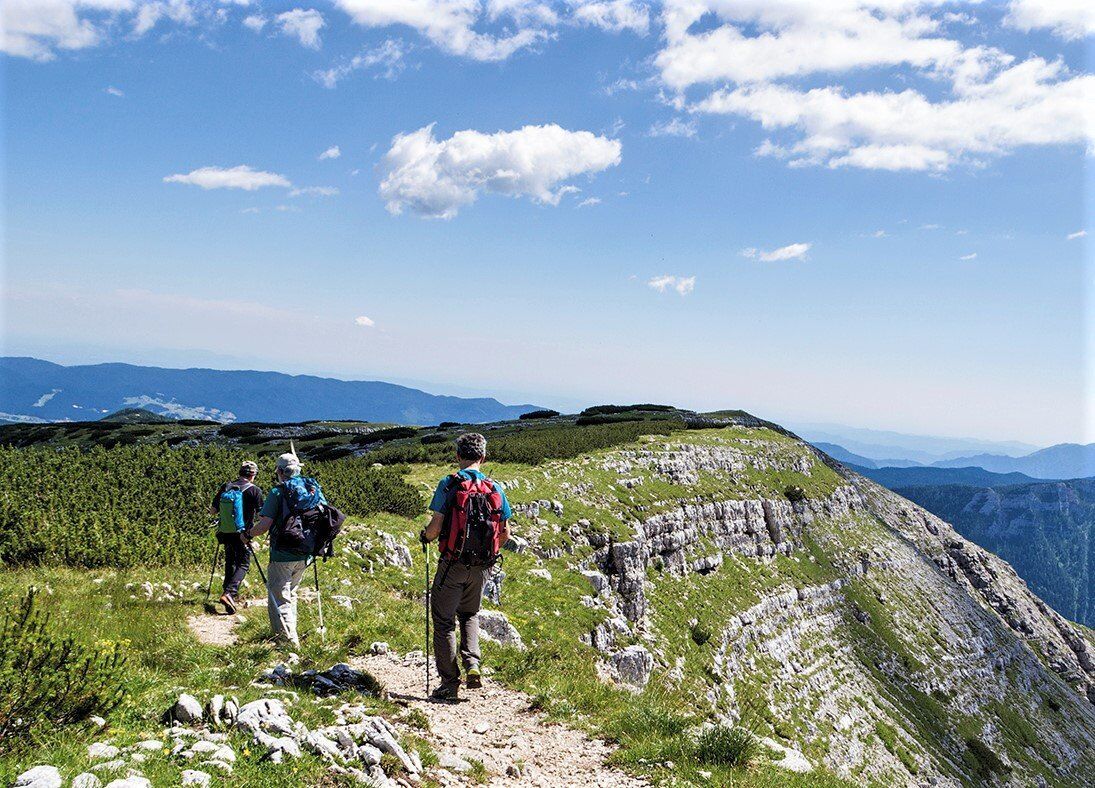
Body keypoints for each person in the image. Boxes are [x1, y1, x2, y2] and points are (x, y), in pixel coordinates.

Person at [419, 432, 513, 701]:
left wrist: (425, 537)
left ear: (458, 455)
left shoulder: (449, 484)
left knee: (444, 621)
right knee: (470, 615)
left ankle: (449, 683)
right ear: (483, 456)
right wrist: (488, 553)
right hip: (483, 566)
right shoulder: (495, 488)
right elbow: (505, 532)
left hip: (453, 564)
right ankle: (473, 664)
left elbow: (435, 529)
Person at [248, 452, 327, 647]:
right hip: (306, 552)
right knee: (291, 593)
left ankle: (288, 643)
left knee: (279, 596)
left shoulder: (278, 492)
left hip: (282, 552)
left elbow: (264, 525)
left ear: (281, 471)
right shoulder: (312, 488)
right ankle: (291, 633)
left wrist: (248, 534)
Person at [210, 461, 264, 614]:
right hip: (243, 534)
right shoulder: (255, 491)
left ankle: (227, 593)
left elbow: (213, 511)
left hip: (225, 532)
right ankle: (230, 593)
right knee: (243, 563)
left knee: (230, 561)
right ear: (253, 475)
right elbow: (261, 515)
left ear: (240, 472)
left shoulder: (226, 487)